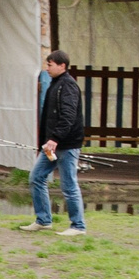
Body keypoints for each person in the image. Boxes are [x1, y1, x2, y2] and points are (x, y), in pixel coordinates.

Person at [21, 48, 87, 235]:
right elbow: (50, 118)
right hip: (52, 146)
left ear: (62, 65)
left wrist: (55, 139)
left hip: (66, 145)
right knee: (36, 177)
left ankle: (78, 226)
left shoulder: (68, 86)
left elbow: (68, 116)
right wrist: (45, 142)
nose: (47, 68)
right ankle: (43, 220)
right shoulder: (55, 84)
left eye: (50, 65)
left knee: (68, 185)